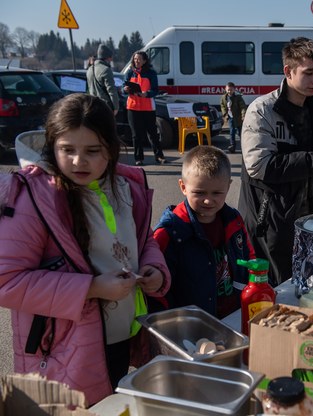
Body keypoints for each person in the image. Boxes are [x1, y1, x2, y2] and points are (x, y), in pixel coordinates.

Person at [0, 94, 171, 405]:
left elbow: (141, 240)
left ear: (112, 148)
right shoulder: (32, 198)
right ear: (52, 146)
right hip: (68, 348)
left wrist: (154, 269)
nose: (79, 161)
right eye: (68, 150)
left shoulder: (125, 185)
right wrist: (91, 288)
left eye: (93, 151)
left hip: (123, 333)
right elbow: (6, 281)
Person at [239, 37, 313, 287]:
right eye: (308, 73)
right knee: (276, 291)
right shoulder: (262, 111)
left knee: (306, 288)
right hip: (271, 223)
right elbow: (260, 166)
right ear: (288, 71)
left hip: (310, 221)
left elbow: (308, 172)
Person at [153, 145, 255, 318]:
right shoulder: (170, 231)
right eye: (199, 192)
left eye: (216, 193)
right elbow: (157, 288)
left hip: (232, 314)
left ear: (228, 187)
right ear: (183, 187)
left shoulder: (233, 220)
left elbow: (248, 257)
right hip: (190, 324)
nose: (208, 200)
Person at [124, 51, 167, 166]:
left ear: (144, 61)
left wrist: (146, 94)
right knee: (136, 135)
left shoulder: (151, 73)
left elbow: (155, 90)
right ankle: (138, 158)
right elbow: (124, 88)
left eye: (138, 59)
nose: (136, 61)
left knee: (152, 133)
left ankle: (159, 156)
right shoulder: (129, 73)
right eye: (135, 59)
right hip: (132, 107)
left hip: (148, 108)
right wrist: (126, 90)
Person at [87, 44, 119, 115]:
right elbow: (111, 90)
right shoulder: (106, 70)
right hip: (105, 106)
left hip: (93, 105)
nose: (111, 59)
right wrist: (116, 107)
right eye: (111, 57)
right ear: (108, 57)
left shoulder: (89, 69)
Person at [220, 82, 247, 154]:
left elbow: (243, 107)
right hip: (230, 117)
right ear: (225, 89)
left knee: (240, 132)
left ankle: (244, 147)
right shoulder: (223, 97)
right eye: (228, 90)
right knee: (232, 132)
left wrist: (243, 115)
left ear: (234, 90)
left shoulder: (238, 97)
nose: (229, 91)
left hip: (238, 118)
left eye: (231, 90)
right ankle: (232, 146)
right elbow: (222, 105)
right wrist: (224, 113)